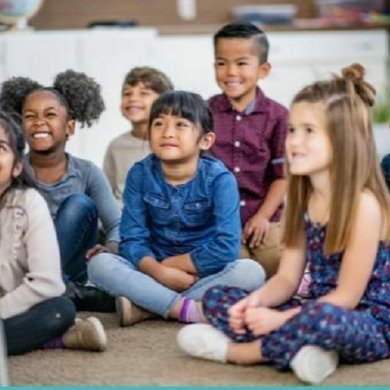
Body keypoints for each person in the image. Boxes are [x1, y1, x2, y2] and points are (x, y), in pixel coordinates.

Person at [177, 63, 390, 385]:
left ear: (343, 140)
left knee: (322, 318)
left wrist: (277, 321)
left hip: (368, 322)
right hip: (314, 309)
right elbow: (288, 279)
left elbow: (346, 297)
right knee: (218, 297)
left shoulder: (364, 205)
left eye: (309, 131)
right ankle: (311, 351)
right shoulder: (302, 199)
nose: (294, 141)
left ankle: (243, 352)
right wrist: (256, 303)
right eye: (292, 130)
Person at [87, 90, 265, 327]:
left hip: (201, 271)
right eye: (159, 123)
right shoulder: (140, 174)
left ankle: (146, 307)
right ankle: (185, 309)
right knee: (99, 264)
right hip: (149, 267)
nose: (167, 132)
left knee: (251, 272)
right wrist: (158, 272)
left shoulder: (220, 179)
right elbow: (131, 239)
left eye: (181, 125)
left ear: (205, 140)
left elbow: (226, 248)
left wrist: (170, 267)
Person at [0, 70, 120, 312]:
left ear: (70, 127)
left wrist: (111, 247)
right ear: (20, 126)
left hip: (72, 263)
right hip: (22, 264)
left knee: (78, 204)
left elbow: (117, 224)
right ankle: (70, 294)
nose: (39, 121)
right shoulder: (12, 169)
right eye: (29, 116)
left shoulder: (87, 172)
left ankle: (56, 287)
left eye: (50, 115)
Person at [0, 111, 107, 355]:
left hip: (17, 307)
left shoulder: (28, 203)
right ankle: (52, 340)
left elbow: (47, 283)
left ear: (17, 167)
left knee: (60, 310)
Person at [208, 23, 289, 278]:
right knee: (235, 267)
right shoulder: (204, 112)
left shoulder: (278, 116)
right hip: (219, 220)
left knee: (278, 263)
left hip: (265, 216)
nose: (231, 72)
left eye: (242, 63)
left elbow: (282, 176)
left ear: (263, 69)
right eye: (222, 63)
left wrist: (263, 217)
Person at [103, 66, 173, 207]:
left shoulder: (173, 144)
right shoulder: (116, 146)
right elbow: (106, 194)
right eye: (127, 94)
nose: (133, 99)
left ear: (165, 102)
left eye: (144, 93)